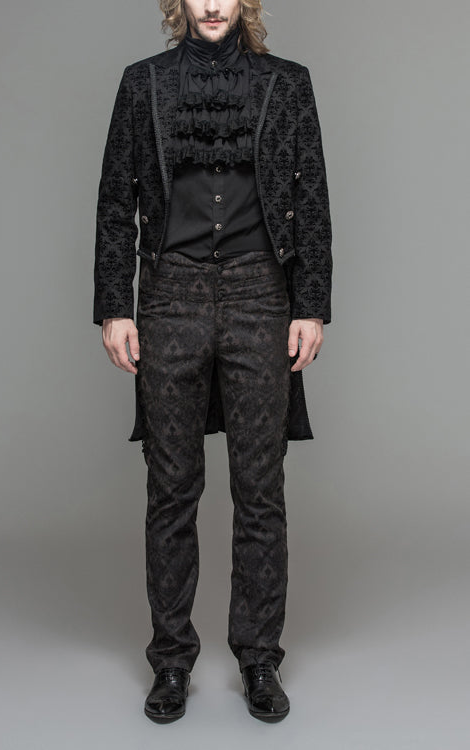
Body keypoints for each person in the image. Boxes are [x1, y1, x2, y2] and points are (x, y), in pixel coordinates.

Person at [93, 0, 332, 723]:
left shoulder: (288, 83)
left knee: (261, 489)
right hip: (171, 294)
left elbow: (312, 198)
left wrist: (311, 304)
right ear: (179, 3)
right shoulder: (142, 83)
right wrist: (116, 306)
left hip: (263, 293)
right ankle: (171, 661)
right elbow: (115, 199)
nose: (212, 4)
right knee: (170, 489)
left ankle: (259, 659)